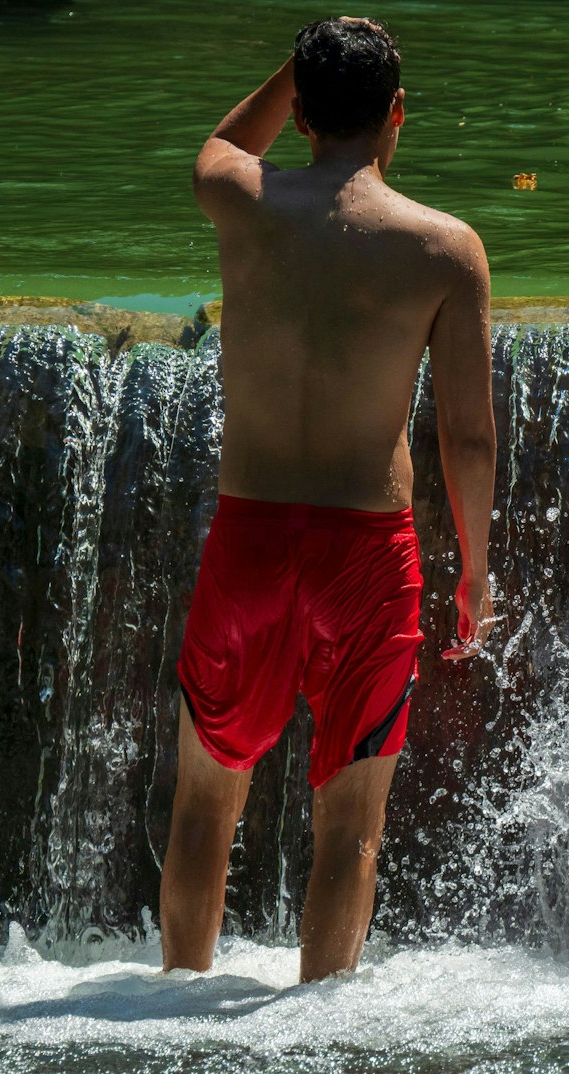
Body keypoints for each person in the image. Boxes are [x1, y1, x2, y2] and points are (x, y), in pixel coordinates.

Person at [159, 17, 498, 982]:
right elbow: (466, 438)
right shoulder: (444, 248)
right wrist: (476, 569)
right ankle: (318, 1036)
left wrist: (300, 65)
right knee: (349, 824)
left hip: (249, 538)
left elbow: (223, 144)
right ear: (398, 114)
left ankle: (177, 1011)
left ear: (300, 111)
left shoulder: (242, 200)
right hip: (366, 555)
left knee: (202, 804)